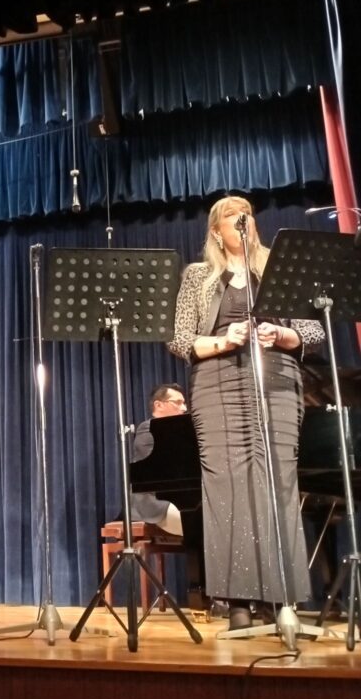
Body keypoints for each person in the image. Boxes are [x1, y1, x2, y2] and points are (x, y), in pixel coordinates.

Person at [168, 196, 324, 631]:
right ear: (217, 231)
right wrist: (224, 340)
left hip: (276, 381)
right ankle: (237, 601)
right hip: (216, 384)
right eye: (231, 215)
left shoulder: (278, 268)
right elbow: (179, 339)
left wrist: (283, 333)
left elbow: (313, 330)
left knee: (278, 481)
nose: (243, 220)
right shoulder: (198, 276)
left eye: (248, 214)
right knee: (227, 486)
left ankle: (280, 598)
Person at [130, 383, 187, 538]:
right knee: (199, 521)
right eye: (178, 403)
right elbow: (162, 469)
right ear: (159, 405)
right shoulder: (148, 429)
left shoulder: (185, 431)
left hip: (181, 497)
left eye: (184, 403)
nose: (184, 408)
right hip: (156, 501)